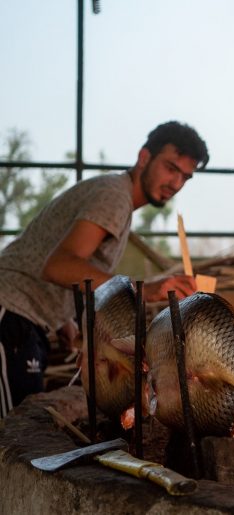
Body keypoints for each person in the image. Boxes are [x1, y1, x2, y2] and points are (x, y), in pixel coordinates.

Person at [0, 120, 209, 419]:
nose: (176, 183)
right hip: (9, 315)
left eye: (185, 177)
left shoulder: (116, 197)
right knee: (13, 433)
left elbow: (58, 256)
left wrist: (62, 320)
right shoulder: (114, 197)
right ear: (144, 157)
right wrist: (142, 289)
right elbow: (58, 265)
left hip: (24, 321)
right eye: (170, 168)